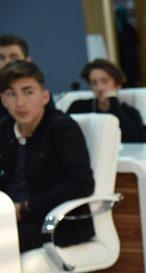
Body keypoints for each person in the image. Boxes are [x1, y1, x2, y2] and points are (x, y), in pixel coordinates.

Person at [0, 61, 95, 253]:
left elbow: (82, 183)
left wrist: (25, 208)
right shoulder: (4, 129)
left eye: (28, 92)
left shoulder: (62, 128)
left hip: (57, 223)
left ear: (45, 96)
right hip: (11, 219)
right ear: (3, 100)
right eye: (12, 94)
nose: (20, 103)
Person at [67, 59, 146, 143]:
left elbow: (137, 140)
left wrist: (114, 104)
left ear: (117, 85)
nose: (99, 88)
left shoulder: (129, 112)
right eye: (94, 83)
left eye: (105, 81)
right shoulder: (77, 107)